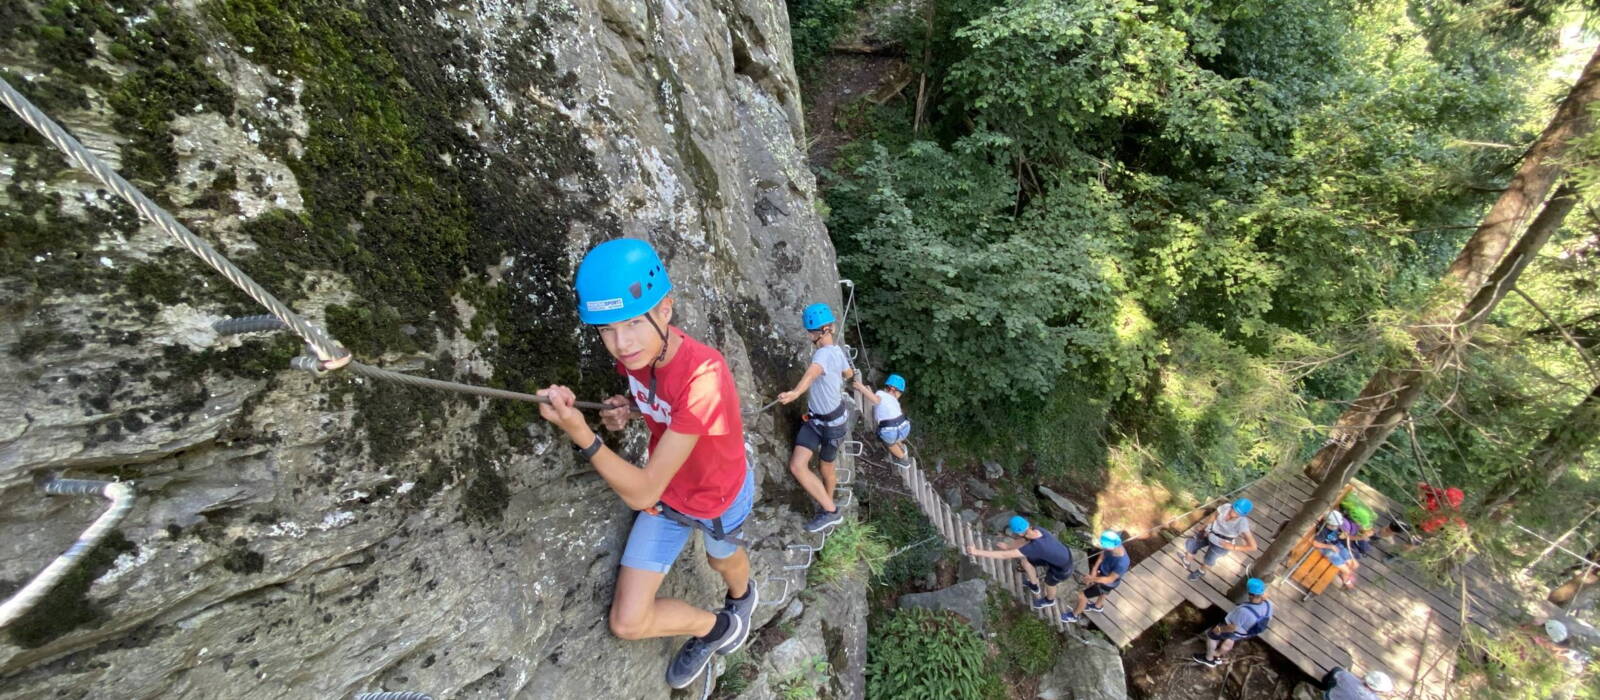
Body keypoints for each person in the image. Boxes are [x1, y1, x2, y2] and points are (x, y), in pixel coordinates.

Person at [535, 238, 757, 689]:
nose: (621, 344)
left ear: (666, 309)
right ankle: (716, 629)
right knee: (627, 622)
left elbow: (642, 492)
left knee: (722, 560)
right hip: (671, 496)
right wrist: (625, 412)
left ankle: (742, 598)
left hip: (716, 495)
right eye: (606, 330)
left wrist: (582, 432)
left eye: (633, 322)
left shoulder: (705, 377)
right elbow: (658, 405)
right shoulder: (638, 358)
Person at [777, 302, 855, 533]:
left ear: (818, 332)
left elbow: (812, 373)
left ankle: (829, 511)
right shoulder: (837, 351)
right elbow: (848, 373)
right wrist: (849, 377)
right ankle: (828, 508)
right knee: (798, 465)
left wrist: (795, 393)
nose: (809, 335)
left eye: (809, 331)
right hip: (815, 422)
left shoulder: (823, 353)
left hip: (831, 426)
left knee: (826, 469)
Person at [967, 516, 1074, 610]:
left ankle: (1049, 600)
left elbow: (1004, 556)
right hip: (1059, 555)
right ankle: (1034, 585)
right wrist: (1008, 547)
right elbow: (1024, 541)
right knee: (1025, 560)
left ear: (1018, 532)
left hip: (1063, 568)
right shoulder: (1036, 529)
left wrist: (976, 552)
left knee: (1049, 583)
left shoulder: (1036, 547)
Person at [1194, 577, 1273, 667]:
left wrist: (1219, 629)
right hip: (1246, 632)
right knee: (1230, 639)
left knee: (1212, 636)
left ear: (1251, 595)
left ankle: (1209, 659)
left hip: (1234, 628)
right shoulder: (1268, 604)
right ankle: (1218, 654)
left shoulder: (1244, 611)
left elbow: (1232, 628)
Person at [1062, 530, 1130, 624]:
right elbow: (1103, 555)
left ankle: (1074, 615)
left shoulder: (1122, 563)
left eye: (1105, 546)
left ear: (1111, 546)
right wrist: (1094, 569)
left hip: (1108, 583)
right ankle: (1098, 606)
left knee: (1083, 596)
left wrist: (1092, 579)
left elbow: (1109, 579)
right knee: (1104, 593)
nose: (1103, 548)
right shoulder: (1114, 541)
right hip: (1103, 574)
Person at [1184, 498, 1257, 581]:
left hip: (1221, 544)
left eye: (1237, 513)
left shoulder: (1242, 523)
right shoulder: (1226, 507)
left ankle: (1201, 572)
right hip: (1209, 533)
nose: (1233, 513)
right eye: (1233, 509)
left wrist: (1233, 547)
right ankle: (1187, 561)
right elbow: (1214, 515)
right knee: (1191, 544)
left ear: (1243, 515)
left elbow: (1253, 546)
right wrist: (1204, 525)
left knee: (1208, 560)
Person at [851, 373, 911, 465]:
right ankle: (898, 444)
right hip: (905, 428)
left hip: (891, 432)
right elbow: (877, 400)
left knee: (889, 443)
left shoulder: (881, 394)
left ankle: (901, 459)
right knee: (895, 432)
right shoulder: (894, 401)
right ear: (894, 390)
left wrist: (861, 388)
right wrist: (865, 390)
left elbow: (876, 400)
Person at [1310, 510, 1361, 590]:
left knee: (1355, 565)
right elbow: (1315, 543)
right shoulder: (1323, 531)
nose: (1336, 527)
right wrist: (1329, 546)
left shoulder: (1337, 525)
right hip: (1328, 550)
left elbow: (1346, 536)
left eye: (1337, 526)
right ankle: (1346, 580)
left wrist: (1351, 555)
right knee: (1347, 571)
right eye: (1334, 526)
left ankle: (1345, 574)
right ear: (1328, 523)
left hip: (1337, 545)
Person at [1310, 667, 1394, 699]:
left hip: (1327, 698)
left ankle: (1322, 686)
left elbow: (1336, 673)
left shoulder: (1347, 677)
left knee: (1336, 670)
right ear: (1378, 691)